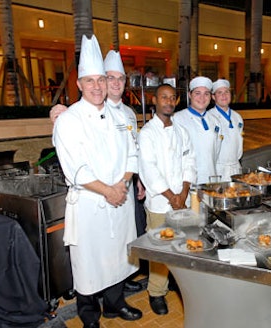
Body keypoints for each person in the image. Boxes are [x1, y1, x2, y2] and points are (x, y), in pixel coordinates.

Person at [52, 34, 142, 328]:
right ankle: (89, 316)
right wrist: (109, 191)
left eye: (100, 80)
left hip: (120, 198)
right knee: (89, 263)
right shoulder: (69, 119)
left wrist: (122, 185)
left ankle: (115, 305)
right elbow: (75, 168)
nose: (97, 86)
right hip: (91, 203)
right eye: (89, 81)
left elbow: (133, 153)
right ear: (78, 85)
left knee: (119, 256)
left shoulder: (119, 116)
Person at [138, 83, 196, 315]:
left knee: (183, 246)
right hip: (160, 202)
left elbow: (190, 162)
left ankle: (181, 285)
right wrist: (172, 197)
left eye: (172, 98)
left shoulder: (182, 131)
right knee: (160, 249)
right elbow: (148, 169)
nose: (169, 102)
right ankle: (156, 292)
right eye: (164, 97)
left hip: (183, 199)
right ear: (155, 101)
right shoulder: (147, 133)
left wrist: (183, 193)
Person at [173, 76, 222, 184]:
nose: (202, 98)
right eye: (197, 93)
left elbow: (216, 152)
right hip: (186, 182)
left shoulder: (215, 121)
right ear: (190, 95)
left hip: (211, 180)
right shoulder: (177, 119)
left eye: (206, 94)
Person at [208, 78, 244, 181]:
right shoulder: (209, 117)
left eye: (226, 92)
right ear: (213, 97)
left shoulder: (237, 117)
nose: (224, 95)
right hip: (218, 170)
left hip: (236, 168)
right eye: (219, 93)